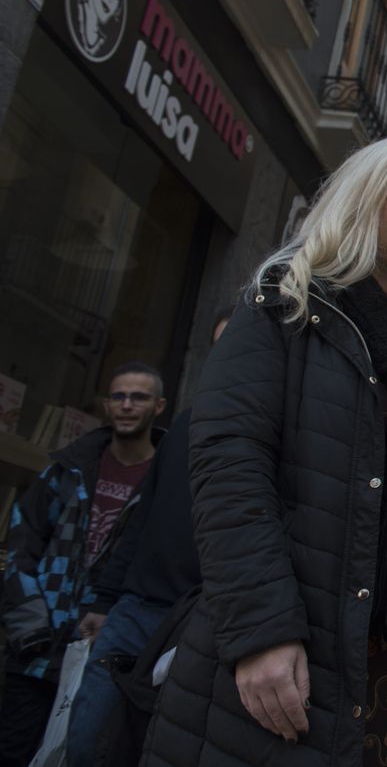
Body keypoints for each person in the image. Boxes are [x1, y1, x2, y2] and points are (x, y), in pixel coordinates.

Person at [141, 134, 387, 766]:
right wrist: (261, 633)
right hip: (300, 647)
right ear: (364, 195)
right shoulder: (287, 305)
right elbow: (230, 467)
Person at [67, 309, 231, 767]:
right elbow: (139, 518)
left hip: (198, 622)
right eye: (219, 349)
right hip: (135, 609)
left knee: (150, 747)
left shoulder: (272, 434)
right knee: (86, 738)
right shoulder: (184, 424)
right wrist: (105, 600)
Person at [0, 362, 164, 766]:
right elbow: (21, 545)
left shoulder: (164, 481)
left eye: (139, 397)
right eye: (118, 397)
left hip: (105, 658)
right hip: (35, 653)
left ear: (159, 406)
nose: (127, 406)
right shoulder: (67, 467)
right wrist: (30, 630)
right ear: (107, 405)